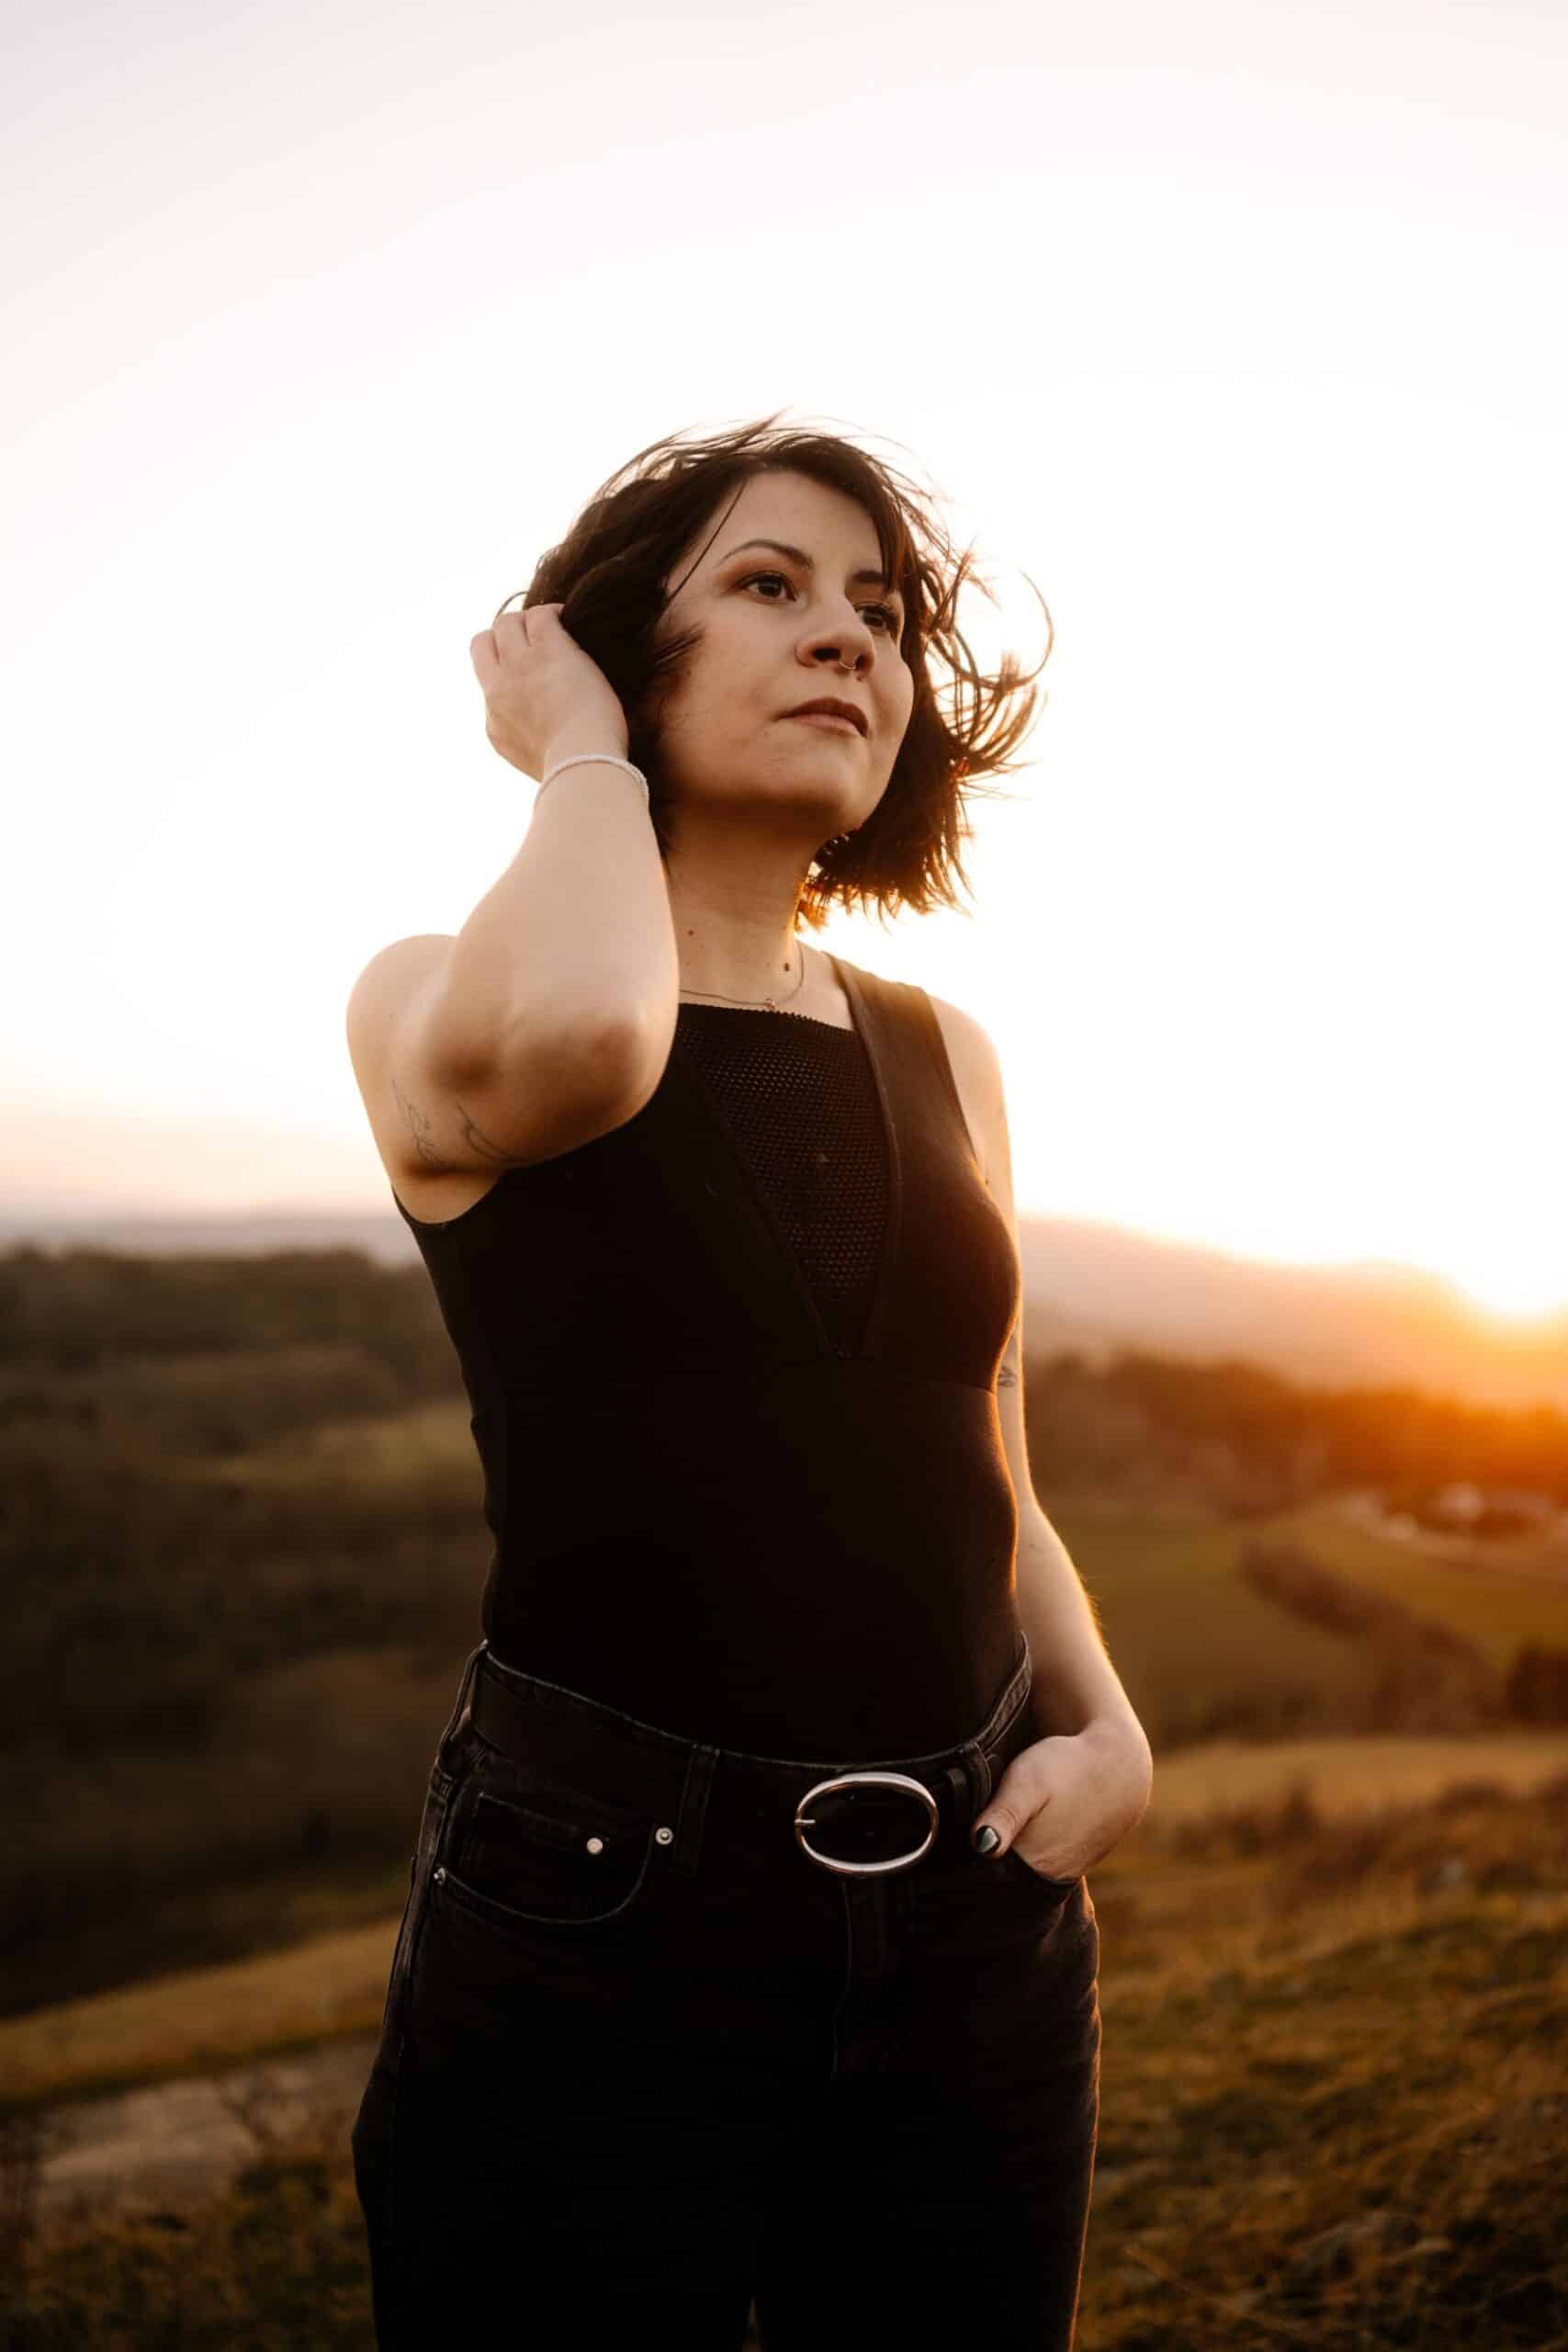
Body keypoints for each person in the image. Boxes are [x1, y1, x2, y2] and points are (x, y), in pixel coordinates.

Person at [345, 413, 1153, 2350]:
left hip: (976, 1931)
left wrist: (1107, 1727)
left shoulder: (945, 1051)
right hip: (602, 1934)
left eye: (878, 611)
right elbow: (588, 1038)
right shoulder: (431, 993)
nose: (848, 638)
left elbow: (992, 1457)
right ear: (627, 645)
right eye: (769, 586)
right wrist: (576, 750)